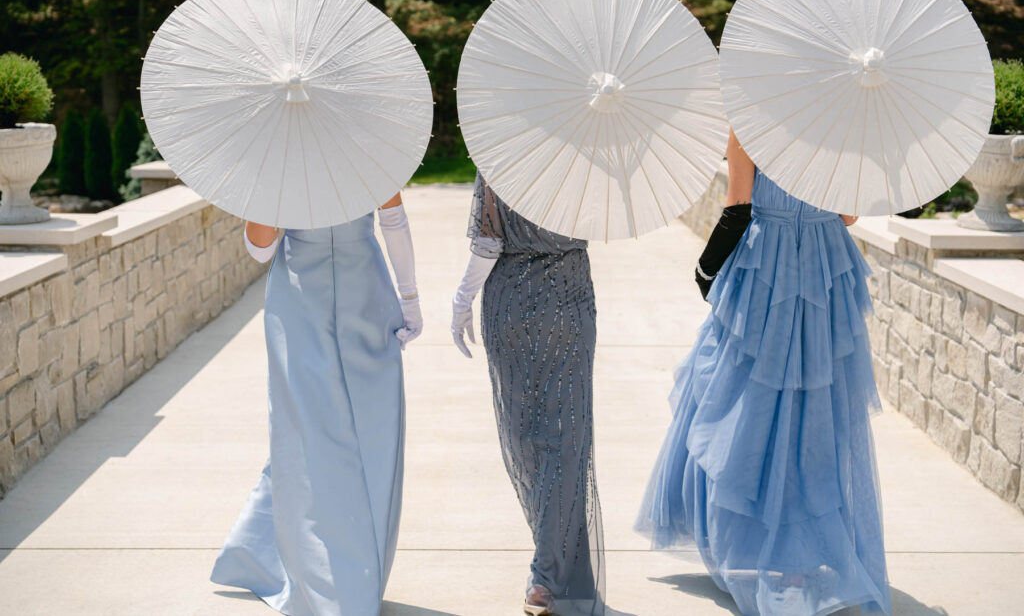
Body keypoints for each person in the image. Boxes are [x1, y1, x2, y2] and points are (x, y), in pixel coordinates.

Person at [636, 131, 891, 615]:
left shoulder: (753, 120)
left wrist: (706, 269)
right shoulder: (841, 119)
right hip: (824, 263)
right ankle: (801, 555)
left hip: (766, 264)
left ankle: (740, 541)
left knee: (734, 400)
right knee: (816, 409)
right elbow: (849, 215)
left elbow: (738, 204)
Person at [211, 193, 423, 616]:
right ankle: (330, 584)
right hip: (302, 306)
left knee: (375, 429)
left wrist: (410, 298)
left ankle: (328, 565)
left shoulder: (365, 142)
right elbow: (260, 246)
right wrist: (410, 298)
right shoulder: (284, 155)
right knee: (307, 434)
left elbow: (392, 215)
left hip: (362, 298)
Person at [451, 174, 604, 616]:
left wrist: (462, 300)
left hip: (511, 299)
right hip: (569, 297)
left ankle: (547, 571)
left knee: (524, 437)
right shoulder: (583, 150)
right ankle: (548, 576)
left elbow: (487, 242)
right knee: (566, 437)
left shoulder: (500, 147)